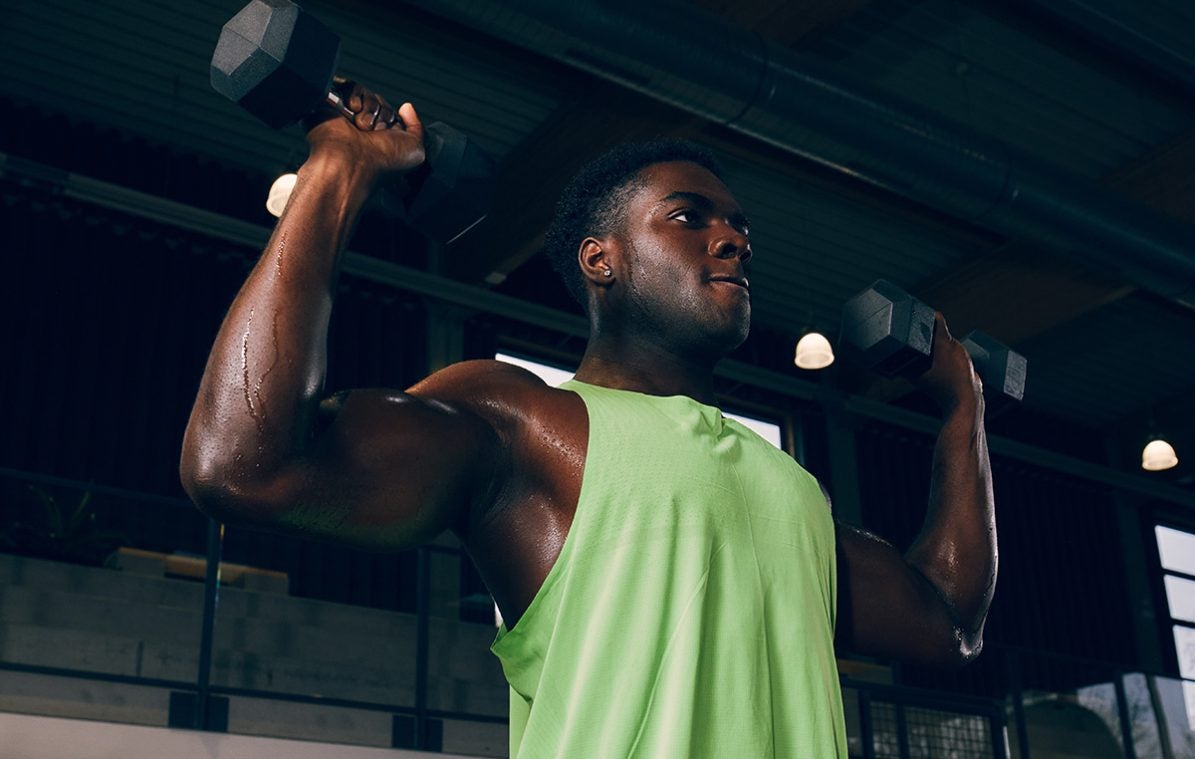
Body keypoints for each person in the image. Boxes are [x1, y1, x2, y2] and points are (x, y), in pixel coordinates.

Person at [181, 82, 997, 758]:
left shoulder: (794, 493)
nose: (732, 242)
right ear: (598, 258)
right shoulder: (521, 419)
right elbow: (244, 467)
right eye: (690, 218)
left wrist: (963, 410)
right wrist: (340, 168)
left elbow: (950, 623)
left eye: (740, 230)